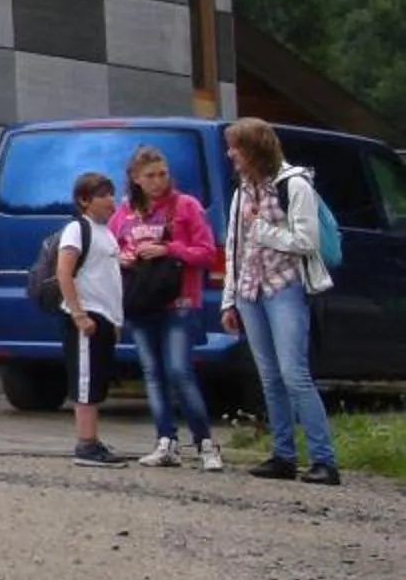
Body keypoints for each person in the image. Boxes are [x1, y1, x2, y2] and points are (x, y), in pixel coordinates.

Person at [220, 119, 340, 485]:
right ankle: (283, 455)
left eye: (236, 147)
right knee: (269, 376)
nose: (230, 154)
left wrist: (264, 230)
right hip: (249, 290)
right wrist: (229, 299)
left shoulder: (295, 184)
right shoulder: (242, 190)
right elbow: (233, 246)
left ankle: (324, 459)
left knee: (294, 373)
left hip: (285, 287)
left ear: (254, 150)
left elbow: (307, 241)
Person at [114, 144, 223, 470]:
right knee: (152, 372)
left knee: (179, 369)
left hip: (180, 300)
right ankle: (166, 440)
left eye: (163, 174)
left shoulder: (186, 206)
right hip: (141, 300)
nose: (159, 181)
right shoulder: (125, 214)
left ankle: (205, 442)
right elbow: (112, 248)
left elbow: (206, 252)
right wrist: (123, 256)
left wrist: (169, 249)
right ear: (135, 178)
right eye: (150, 176)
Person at [54, 170, 124, 466]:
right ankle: (85, 443)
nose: (111, 200)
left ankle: (93, 439)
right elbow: (64, 271)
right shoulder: (76, 229)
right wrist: (80, 314)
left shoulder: (106, 233)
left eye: (111, 194)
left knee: (97, 379)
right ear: (84, 200)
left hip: (105, 317)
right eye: (103, 195)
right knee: (85, 381)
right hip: (87, 317)